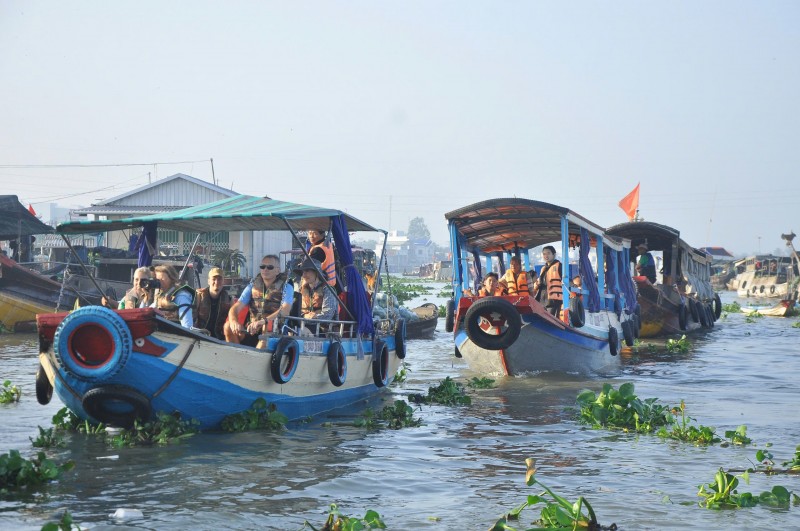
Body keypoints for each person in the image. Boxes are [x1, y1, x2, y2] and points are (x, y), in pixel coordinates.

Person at [224, 254, 293, 346]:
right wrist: (233, 321)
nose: (265, 269)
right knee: (228, 326)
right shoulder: (252, 286)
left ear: (278, 271)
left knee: (265, 334)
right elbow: (235, 308)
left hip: (273, 331)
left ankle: (254, 357)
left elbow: (285, 311)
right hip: (251, 328)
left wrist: (263, 321)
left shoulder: (286, 287)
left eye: (270, 267)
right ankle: (237, 356)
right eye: (262, 266)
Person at [194, 267, 233, 340]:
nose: (217, 282)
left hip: (219, 339)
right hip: (200, 337)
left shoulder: (230, 300)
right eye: (214, 279)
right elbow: (192, 319)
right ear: (208, 281)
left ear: (223, 281)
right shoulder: (199, 296)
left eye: (219, 279)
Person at [152, 264, 195, 328]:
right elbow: (144, 313)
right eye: (157, 280)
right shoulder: (160, 295)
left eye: (162, 279)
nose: (159, 283)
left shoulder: (182, 297)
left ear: (172, 279)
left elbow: (187, 326)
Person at [533, 245, 563, 317]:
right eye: (544, 254)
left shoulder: (559, 266)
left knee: (550, 319)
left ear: (554, 254)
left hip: (553, 301)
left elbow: (567, 280)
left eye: (548, 253)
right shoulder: (543, 268)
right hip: (542, 300)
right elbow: (539, 282)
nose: (546, 256)